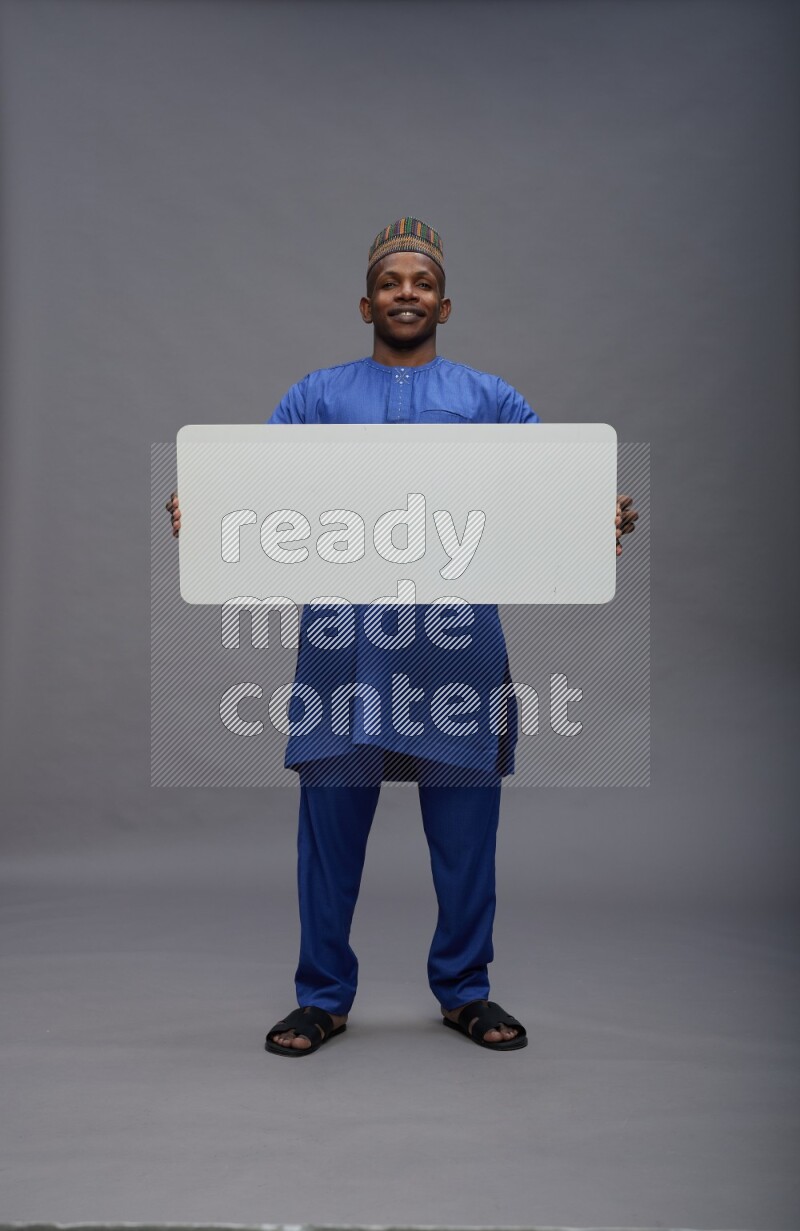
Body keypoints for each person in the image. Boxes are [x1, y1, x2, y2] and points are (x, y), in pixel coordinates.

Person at [166, 217, 637, 1056]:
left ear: (445, 304)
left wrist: (596, 510)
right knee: (330, 831)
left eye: (421, 284)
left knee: (465, 836)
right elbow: (256, 490)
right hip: (345, 646)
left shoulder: (491, 399)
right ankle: (321, 995)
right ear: (366, 302)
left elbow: (554, 482)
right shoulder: (314, 397)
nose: (407, 294)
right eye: (392, 283)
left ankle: (466, 990)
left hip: (455, 646)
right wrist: (205, 510)